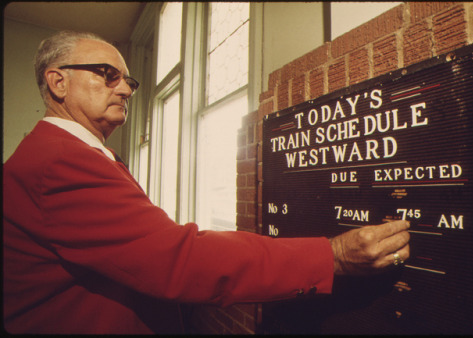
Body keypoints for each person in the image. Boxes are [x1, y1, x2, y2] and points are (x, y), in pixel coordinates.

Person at [2, 31, 410, 334]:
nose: (125, 88)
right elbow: (177, 259)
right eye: (107, 74)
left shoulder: (72, 154)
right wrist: (331, 256)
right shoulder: (59, 162)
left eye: (128, 80)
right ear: (58, 83)